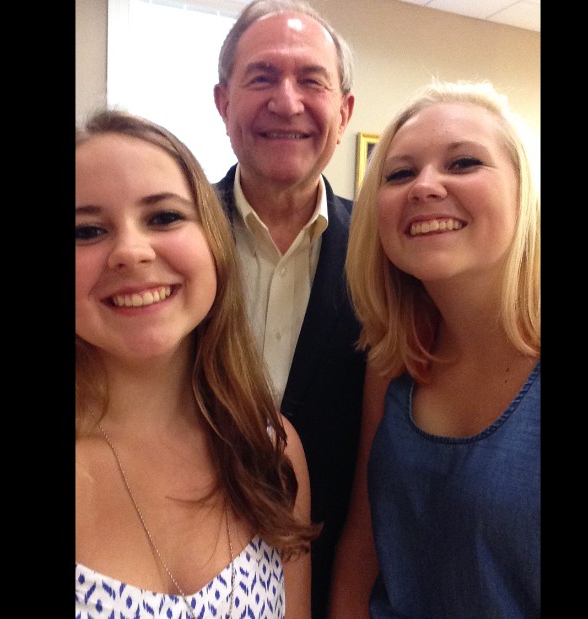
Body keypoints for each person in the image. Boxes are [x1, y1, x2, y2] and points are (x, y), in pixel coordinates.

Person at [75, 109, 321, 619]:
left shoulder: (269, 446)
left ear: (214, 242)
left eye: (164, 217)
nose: (131, 252)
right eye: (86, 231)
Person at [329, 80, 541, 619]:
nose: (425, 187)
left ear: (524, 191)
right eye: (400, 173)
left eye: (464, 163)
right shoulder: (395, 360)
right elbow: (363, 550)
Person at [211, 2, 366, 616]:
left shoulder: (391, 256)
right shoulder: (171, 246)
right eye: (261, 76)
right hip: (180, 572)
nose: (287, 100)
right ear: (223, 102)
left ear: (345, 110)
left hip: (335, 580)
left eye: (311, 80)